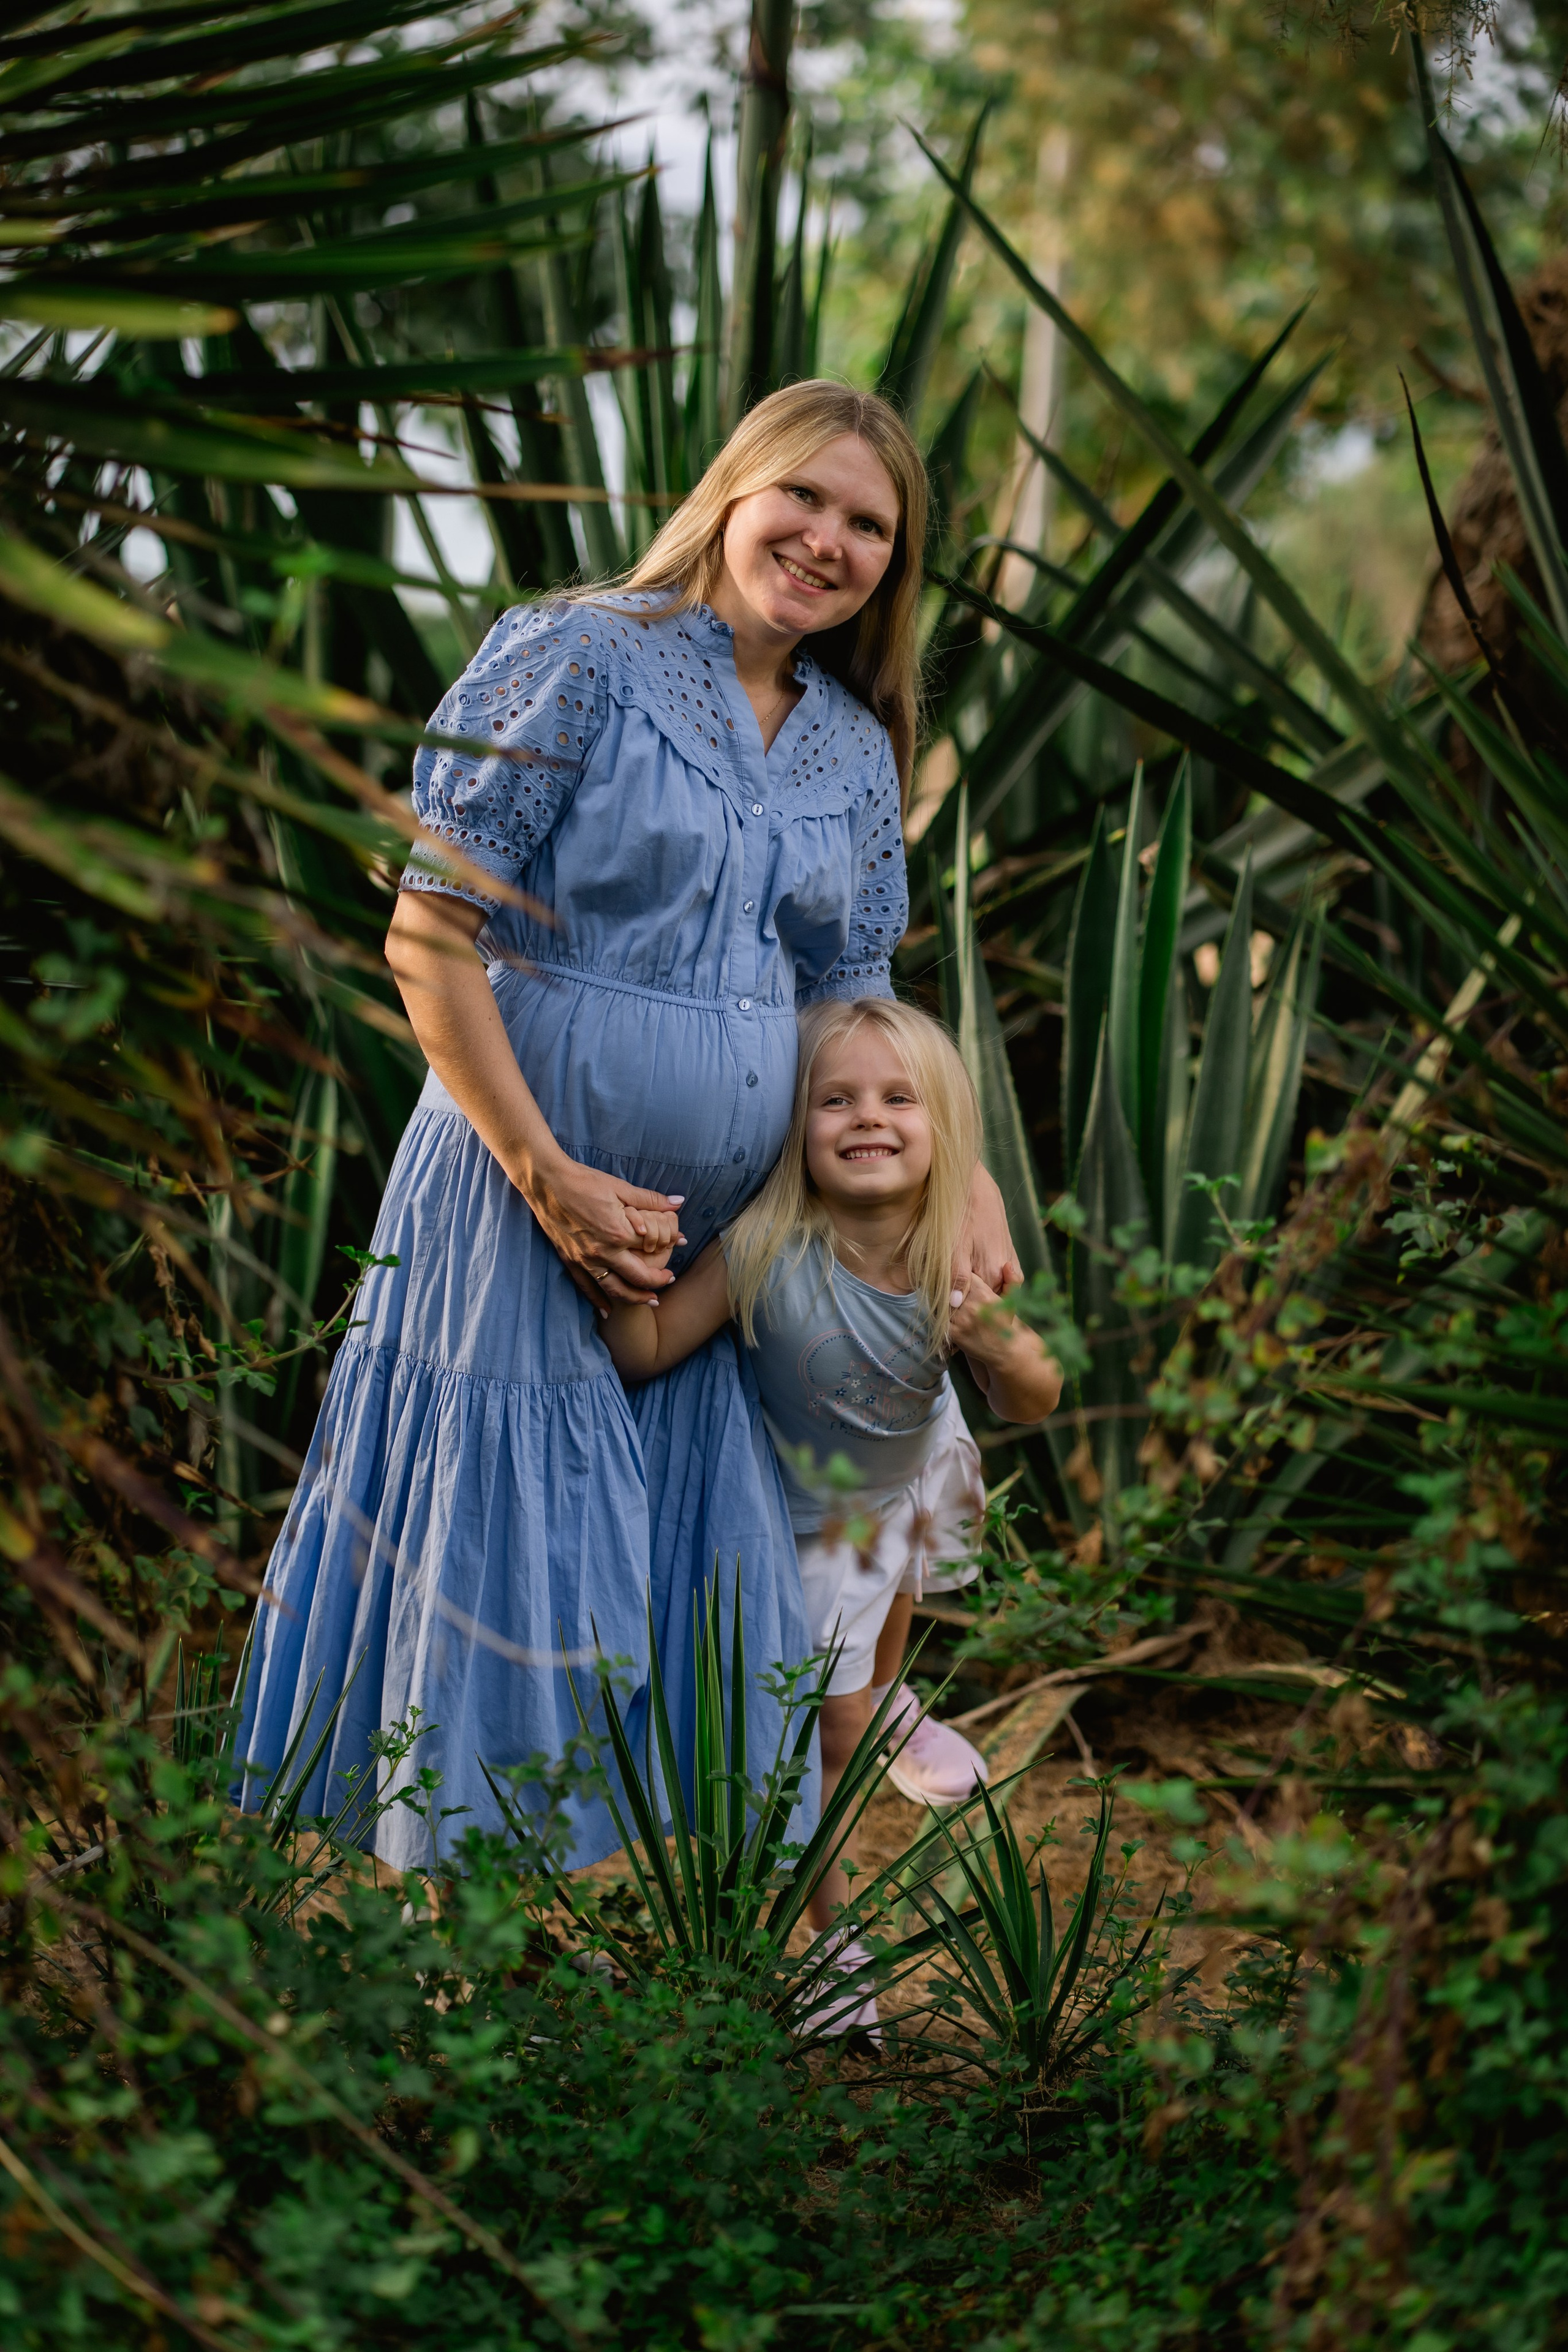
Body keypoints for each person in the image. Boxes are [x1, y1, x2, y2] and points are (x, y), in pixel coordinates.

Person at [233, 380, 1023, 1869]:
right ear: (733, 490)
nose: (827, 539)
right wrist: (548, 1177)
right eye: (806, 496)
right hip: (517, 1186)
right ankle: (440, 1949)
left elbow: (852, 984)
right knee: (502, 1539)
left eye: (870, 525)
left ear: (890, 570)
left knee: (713, 1576)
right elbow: (429, 932)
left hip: (712, 1239)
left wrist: (959, 1175)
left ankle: (704, 1943)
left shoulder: (852, 747)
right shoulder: (580, 655)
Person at [601, 995, 1061, 2028]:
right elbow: (648, 1349)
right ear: (790, 1128)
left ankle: (889, 1703)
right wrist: (615, 1274)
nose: (867, 1117)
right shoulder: (766, 1247)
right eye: (835, 1099)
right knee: (826, 1732)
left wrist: (1003, 1345)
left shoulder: (951, 1255)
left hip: (905, 1480)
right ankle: (829, 1934)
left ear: (941, 1128)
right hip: (809, 1524)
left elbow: (1038, 1400)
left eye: (899, 1098)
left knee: (869, 1650)